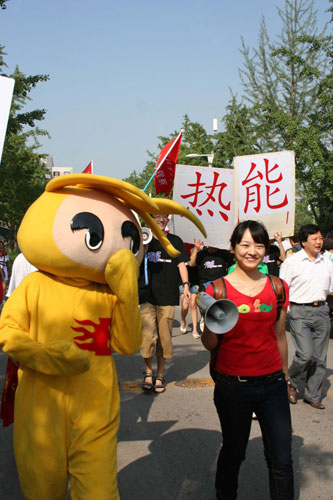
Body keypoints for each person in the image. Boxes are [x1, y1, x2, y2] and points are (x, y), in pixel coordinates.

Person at [201, 220, 293, 500]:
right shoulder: (216, 290)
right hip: (233, 386)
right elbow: (209, 344)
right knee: (233, 453)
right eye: (245, 244)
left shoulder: (278, 287)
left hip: (273, 384)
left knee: (281, 459)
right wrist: (211, 321)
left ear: (266, 249)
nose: (252, 251)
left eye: (259, 245)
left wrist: (285, 377)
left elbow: (280, 337)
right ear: (233, 248)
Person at [280, 224, 333, 409]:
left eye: (320, 238)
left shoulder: (327, 262)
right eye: (315, 239)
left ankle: (313, 395)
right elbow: (283, 289)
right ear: (304, 242)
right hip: (299, 312)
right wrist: (284, 312)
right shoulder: (292, 262)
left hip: (322, 311)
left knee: (319, 358)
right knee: (305, 355)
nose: (319, 242)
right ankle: (292, 383)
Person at [139, 214, 191, 393]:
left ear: (168, 220)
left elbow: (181, 264)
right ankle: (147, 371)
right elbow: (131, 261)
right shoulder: (142, 238)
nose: (160, 220)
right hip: (146, 296)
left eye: (163, 217)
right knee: (148, 336)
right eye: (156, 217)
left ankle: (160, 374)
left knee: (164, 337)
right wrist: (142, 249)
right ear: (150, 219)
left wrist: (186, 286)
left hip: (168, 297)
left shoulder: (175, 241)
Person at [179, 262, 200, 338]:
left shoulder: (195, 251)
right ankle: (183, 320)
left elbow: (193, 263)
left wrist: (195, 250)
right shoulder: (181, 252)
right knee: (185, 306)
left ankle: (195, 329)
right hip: (182, 282)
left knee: (193, 305)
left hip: (194, 280)